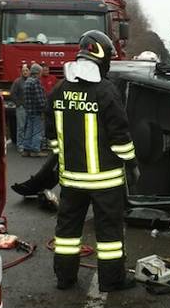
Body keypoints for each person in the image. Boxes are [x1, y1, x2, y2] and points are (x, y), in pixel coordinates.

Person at [46, 30, 140, 291]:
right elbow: (120, 135)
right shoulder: (106, 91)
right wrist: (131, 164)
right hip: (105, 181)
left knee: (67, 230)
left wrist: (61, 156)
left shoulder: (60, 89)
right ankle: (112, 281)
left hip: (71, 180)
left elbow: (51, 134)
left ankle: (64, 278)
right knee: (109, 233)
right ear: (102, 57)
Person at [22, 63, 48, 157]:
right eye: (40, 72)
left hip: (29, 110)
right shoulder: (35, 82)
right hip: (36, 111)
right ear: (37, 72)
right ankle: (35, 150)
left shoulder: (27, 81)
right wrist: (45, 107)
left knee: (28, 129)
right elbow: (39, 98)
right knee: (37, 131)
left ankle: (26, 149)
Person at [10, 64, 29, 152]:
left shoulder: (31, 81)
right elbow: (12, 93)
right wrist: (18, 104)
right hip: (21, 108)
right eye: (23, 71)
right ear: (21, 72)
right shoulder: (17, 82)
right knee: (21, 127)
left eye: (26, 70)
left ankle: (27, 144)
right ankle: (20, 145)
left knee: (28, 127)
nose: (25, 72)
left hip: (30, 107)